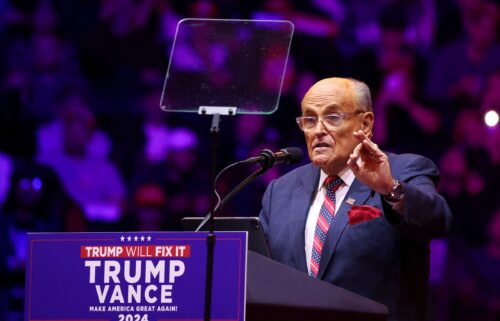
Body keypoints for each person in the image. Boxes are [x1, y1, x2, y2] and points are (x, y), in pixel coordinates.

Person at [259, 77, 453, 320]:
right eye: (309, 119)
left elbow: (437, 221)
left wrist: (389, 188)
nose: (318, 129)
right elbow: (262, 271)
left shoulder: (403, 170)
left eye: (332, 117)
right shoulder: (281, 190)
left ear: (366, 123)